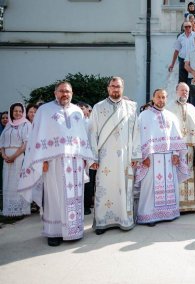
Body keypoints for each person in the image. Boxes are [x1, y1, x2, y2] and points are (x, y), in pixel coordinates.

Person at [18, 81, 94, 246]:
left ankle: (74, 230)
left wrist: (85, 158)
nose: (65, 94)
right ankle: (54, 233)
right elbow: (37, 137)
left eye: (67, 91)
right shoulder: (44, 111)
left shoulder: (77, 111)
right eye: (61, 91)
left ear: (72, 93)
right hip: (53, 162)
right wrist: (41, 160)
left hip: (74, 162)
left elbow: (82, 137)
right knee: (54, 197)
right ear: (55, 93)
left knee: (75, 196)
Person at [88, 76, 141, 235]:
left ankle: (124, 220)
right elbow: (92, 133)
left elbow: (136, 133)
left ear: (122, 88)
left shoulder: (131, 107)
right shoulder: (98, 107)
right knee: (104, 188)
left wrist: (135, 156)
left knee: (123, 188)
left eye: (118, 86)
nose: (115, 89)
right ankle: (103, 222)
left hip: (125, 157)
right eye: (113, 86)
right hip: (104, 158)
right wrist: (93, 158)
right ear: (108, 88)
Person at [135, 89, 189, 226]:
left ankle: (170, 213)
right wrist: (143, 157)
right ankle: (149, 216)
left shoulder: (171, 116)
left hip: (169, 158)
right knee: (150, 188)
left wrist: (176, 154)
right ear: (153, 98)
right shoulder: (144, 116)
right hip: (151, 159)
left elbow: (176, 136)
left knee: (169, 186)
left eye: (164, 97)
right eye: (158, 97)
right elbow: (139, 138)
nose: (161, 100)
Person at [170, 82, 195, 213]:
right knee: (177, 176)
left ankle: (192, 205)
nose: (184, 93)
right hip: (175, 150)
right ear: (176, 91)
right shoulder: (169, 107)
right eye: (182, 90)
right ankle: (177, 204)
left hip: (190, 149)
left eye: (187, 91)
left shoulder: (192, 108)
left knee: (190, 175)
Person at [0, 103, 32, 217]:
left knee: (17, 182)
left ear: (23, 112)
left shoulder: (26, 125)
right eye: (15, 111)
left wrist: (13, 156)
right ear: (11, 112)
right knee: (8, 182)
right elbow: (2, 143)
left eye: (20, 111)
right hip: (6, 157)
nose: (17, 113)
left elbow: (25, 144)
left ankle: (20, 209)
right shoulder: (8, 125)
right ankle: (9, 209)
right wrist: (3, 155)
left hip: (18, 157)